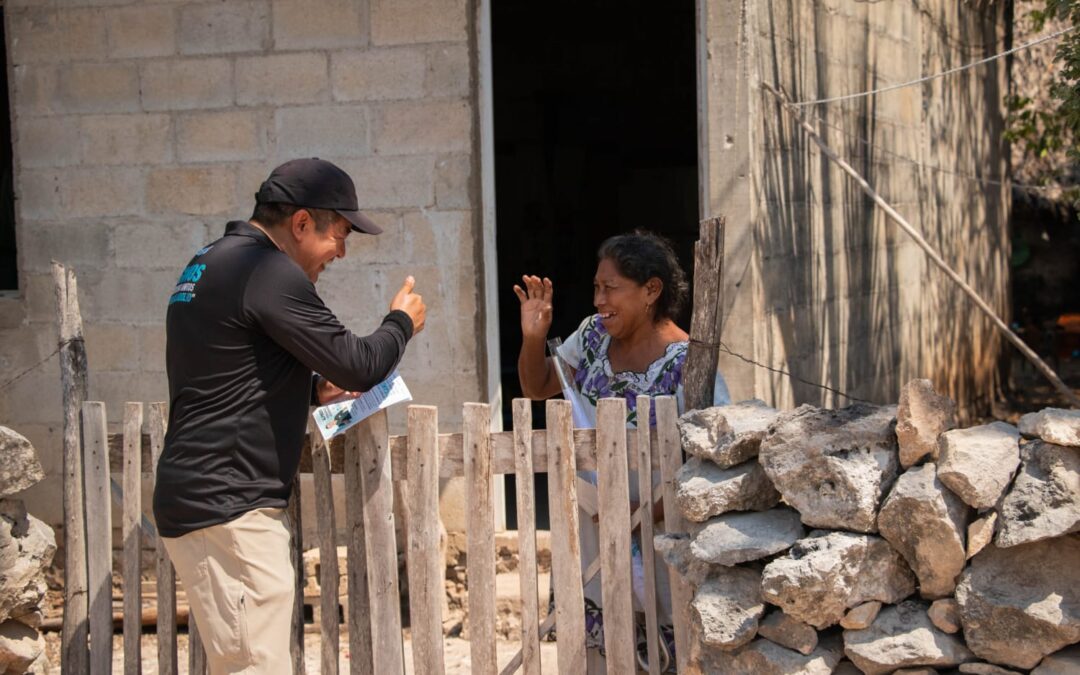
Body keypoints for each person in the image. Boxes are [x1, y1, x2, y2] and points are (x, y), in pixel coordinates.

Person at [153, 158, 426, 674]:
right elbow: (359, 363)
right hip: (229, 509)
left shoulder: (210, 261)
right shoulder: (266, 270)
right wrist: (400, 322)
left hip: (209, 500)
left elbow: (229, 372)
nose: (342, 252)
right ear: (301, 223)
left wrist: (311, 389)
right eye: (339, 234)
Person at [514, 229, 729, 671]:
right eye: (596, 287)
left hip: (659, 529)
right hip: (594, 526)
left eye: (610, 288)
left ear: (651, 290)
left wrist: (639, 512)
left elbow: (712, 455)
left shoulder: (688, 363)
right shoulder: (592, 338)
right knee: (600, 648)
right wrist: (534, 336)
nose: (599, 300)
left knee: (663, 647)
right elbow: (536, 387)